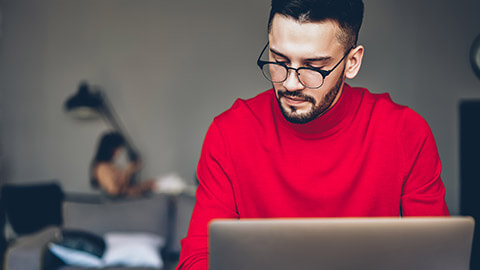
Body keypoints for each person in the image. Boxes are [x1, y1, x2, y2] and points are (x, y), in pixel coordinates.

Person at [177, 0, 450, 269]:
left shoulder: (405, 133)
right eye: (279, 59)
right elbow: (198, 258)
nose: (291, 83)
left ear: (352, 62)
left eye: (313, 67)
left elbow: (437, 260)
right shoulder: (229, 133)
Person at [90, 131, 154, 197]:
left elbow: (125, 187)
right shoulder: (102, 168)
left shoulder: (112, 166)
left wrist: (144, 186)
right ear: (109, 148)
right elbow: (114, 191)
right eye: (117, 148)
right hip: (118, 204)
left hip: (127, 200)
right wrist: (128, 171)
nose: (119, 152)